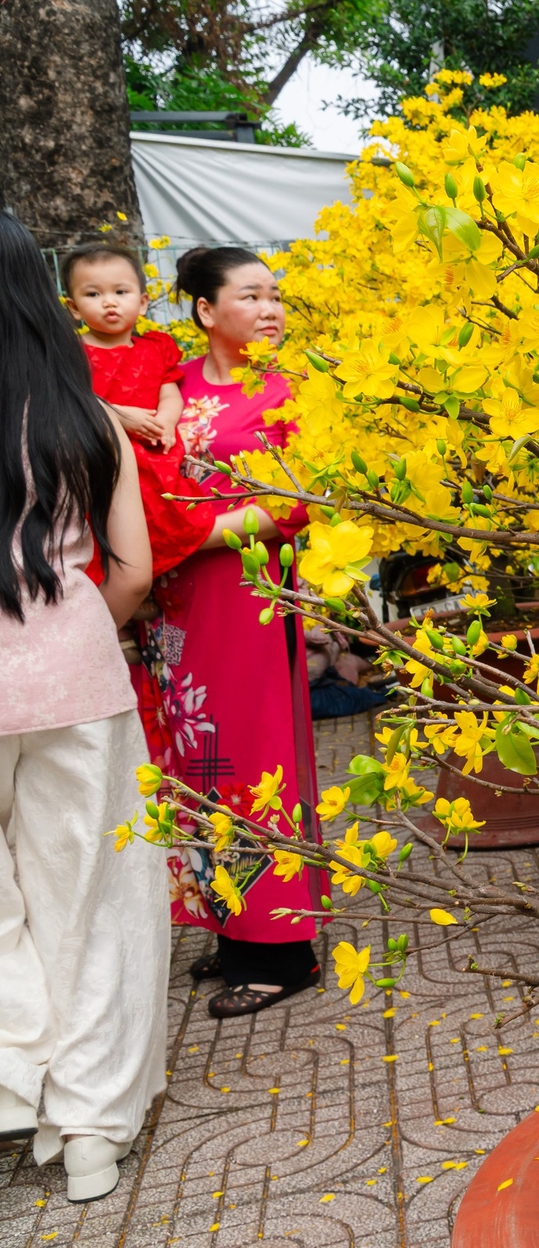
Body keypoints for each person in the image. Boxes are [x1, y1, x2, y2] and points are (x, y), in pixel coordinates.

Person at [0, 211, 167, 1203]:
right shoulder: (91, 416)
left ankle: (12, 1083)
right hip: (74, 675)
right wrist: (62, 639)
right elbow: (135, 572)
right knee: (94, 901)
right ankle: (90, 1125)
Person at [138, 246, 325, 1018]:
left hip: (247, 597)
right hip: (176, 611)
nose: (273, 308)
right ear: (207, 312)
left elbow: (296, 499)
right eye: (253, 295)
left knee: (255, 763)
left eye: (276, 295)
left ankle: (283, 951)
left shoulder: (291, 391)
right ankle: (231, 925)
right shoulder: (172, 387)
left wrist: (192, 534)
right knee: (194, 764)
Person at [60, 245, 218, 577]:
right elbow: (69, 400)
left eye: (121, 291)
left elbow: (169, 392)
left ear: (143, 302)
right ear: (73, 307)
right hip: (100, 455)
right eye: (93, 294)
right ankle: (123, 586)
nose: (109, 301)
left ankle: (150, 578)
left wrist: (165, 420)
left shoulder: (156, 348)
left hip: (152, 452)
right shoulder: (72, 353)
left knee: (168, 508)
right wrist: (116, 415)